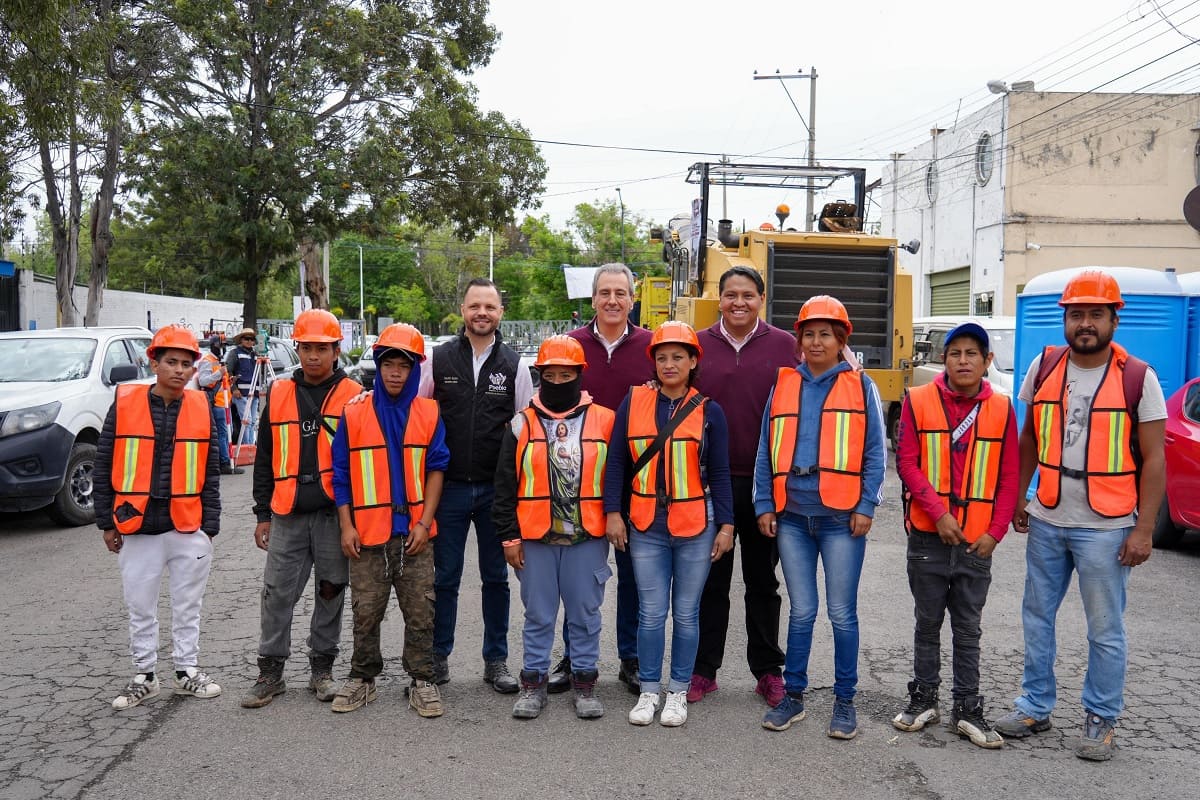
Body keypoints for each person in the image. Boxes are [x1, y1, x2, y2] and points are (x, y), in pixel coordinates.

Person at [994, 270, 1166, 762]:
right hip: (1049, 515)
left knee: (1105, 629)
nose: (1084, 323)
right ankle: (1034, 706)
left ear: (1114, 318)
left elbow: (1155, 458)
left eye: (1095, 314)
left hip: (1107, 526)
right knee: (1036, 617)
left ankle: (1101, 717)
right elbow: (1027, 439)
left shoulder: (1138, 377)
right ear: (1065, 320)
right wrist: (1021, 499)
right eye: (1076, 315)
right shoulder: (1044, 366)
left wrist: (1144, 528)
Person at [754, 295, 886, 738]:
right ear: (799, 339)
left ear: (840, 340)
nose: (815, 341)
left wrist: (867, 505)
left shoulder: (860, 386)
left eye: (825, 334)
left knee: (842, 613)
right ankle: (793, 696)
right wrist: (764, 504)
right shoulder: (785, 384)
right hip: (792, 516)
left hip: (841, 519)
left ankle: (844, 702)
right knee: (802, 611)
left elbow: (874, 454)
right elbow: (764, 451)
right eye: (808, 334)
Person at [893, 322, 1018, 749]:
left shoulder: (1002, 409)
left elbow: (1008, 477)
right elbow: (908, 463)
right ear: (943, 360)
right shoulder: (918, 400)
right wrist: (940, 514)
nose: (963, 361)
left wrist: (996, 532)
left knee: (968, 628)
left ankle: (968, 708)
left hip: (977, 542)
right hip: (929, 536)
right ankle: (924, 699)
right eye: (955, 353)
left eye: (972, 354)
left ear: (987, 361)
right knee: (927, 624)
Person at [606, 321, 734, 727]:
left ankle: (677, 690)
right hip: (645, 523)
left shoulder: (710, 410)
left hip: (696, 523)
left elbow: (720, 473)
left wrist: (727, 526)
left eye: (678, 356)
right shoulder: (633, 403)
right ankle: (648, 690)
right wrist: (613, 512)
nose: (669, 364)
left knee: (686, 612)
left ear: (694, 360)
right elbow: (616, 463)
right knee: (650, 613)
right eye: (662, 357)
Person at [96, 324, 222, 710]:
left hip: (187, 525)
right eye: (171, 362)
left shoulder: (202, 407)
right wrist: (106, 521)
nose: (179, 370)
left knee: (188, 605)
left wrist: (210, 525)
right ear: (154, 362)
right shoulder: (125, 403)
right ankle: (145, 675)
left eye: (186, 363)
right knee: (141, 606)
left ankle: (186, 671)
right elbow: (104, 463)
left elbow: (210, 468)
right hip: (137, 525)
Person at [241, 309, 362, 709]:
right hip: (287, 514)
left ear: (335, 350)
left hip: (333, 514)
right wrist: (262, 513)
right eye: (307, 347)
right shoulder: (277, 393)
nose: (313, 356)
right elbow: (264, 458)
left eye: (321, 349)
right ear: (298, 348)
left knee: (331, 590)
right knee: (277, 593)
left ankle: (322, 670)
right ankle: (270, 672)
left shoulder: (354, 395)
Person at [690, 266, 797, 707]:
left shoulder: (785, 346)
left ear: (762, 298)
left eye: (748, 295)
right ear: (719, 298)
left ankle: (768, 671)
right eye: (731, 294)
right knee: (710, 580)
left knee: (762, 581)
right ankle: (703, 669)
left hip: (764, 485)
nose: (739, 302)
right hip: (708, 482)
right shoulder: (697, 344)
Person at [419, 278, 532, 693]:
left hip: (495, 492)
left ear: (501, 312)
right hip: (446, 488)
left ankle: (496, 661)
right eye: (474, 306)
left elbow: (525, 427)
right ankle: (438, 656)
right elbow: (419, 413)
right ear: (462, 310)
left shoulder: (515, 365)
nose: (482, 313)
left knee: (495, 579)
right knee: (444, 577)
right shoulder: (438, 359)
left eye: (490, 306)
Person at [493, 336, 615, 720]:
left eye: (567, 374)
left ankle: (584, 685)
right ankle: (533, 685)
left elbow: (616, 480)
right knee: (539, 616)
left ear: (580, 375)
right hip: (535, 539)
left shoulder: (606, 420)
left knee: (584, 614)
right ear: (540, 376)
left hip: (587, 538)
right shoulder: (520, 424)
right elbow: (503, 486)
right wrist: (509, 537)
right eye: (551, 374)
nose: (559, 380)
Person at [331, 324, 450, 716]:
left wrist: (423, 522)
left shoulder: (428, 412)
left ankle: (422, 680)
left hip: (415, 535)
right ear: (378, 368)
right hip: (366, 535)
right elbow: (342, 475)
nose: (395, 373)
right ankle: (362, 678)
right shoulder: (355, 412)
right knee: (366, 611)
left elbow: (436, 469)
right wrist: (347, 526)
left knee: (421, 611)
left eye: (404, 365)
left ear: (416, 369)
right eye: (388, 365)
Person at [558, 263, 654, 694]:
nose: (612, 300)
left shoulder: (653, 347)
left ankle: (631, 658)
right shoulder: (570, 346)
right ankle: (573, 656)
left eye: (621, 293)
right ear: (592, 298)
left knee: (635, 575)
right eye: (605, 293)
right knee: (577, 576)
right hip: (578, 479)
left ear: (632, 299)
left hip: (637, 478)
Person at [196, 334, 243, 475]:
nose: (222, 349)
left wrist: (230, 380)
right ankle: (224, 463)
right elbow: (203, 381)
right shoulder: (207, 361)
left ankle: (225, 461)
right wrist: (219, 374)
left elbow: (221, 382)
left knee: (226, 433)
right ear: (214, 346)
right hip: (218, 403)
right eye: (220, 346)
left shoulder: (219, 361)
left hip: (225, 402)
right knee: (222, 434)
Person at [226, 327, 262, 445]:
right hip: (241, 393)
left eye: (252, 339)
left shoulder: (256, 354)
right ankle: (247, 447)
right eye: (246, 338)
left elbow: (260, 373)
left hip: (254, 393)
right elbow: (228, 372)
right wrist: (233, 388)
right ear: (241, 340)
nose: (249, 341)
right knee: (247, 421)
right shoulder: (235, 353)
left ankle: (251, 445)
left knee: (252, 422)